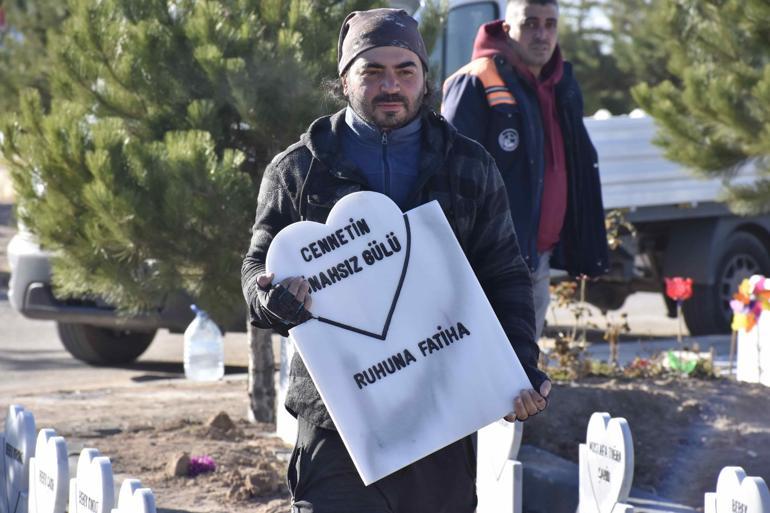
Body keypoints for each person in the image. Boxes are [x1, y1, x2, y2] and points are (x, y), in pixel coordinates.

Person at [241, 9, 550, 512]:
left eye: (405, 70)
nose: (391, 85)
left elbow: (505, 275)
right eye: (372, 71)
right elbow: (256, 271)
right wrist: (272, 299)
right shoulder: (298, 171)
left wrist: (519, 366)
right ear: (344, 80)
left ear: (425, 79)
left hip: (442, 411)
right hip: (337, 422)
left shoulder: (468, 165)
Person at [442, 0, 609, 341]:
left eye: (550, 24)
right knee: (483, 367)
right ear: (506, 29)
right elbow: (449, 179)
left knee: (522, 376)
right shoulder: (476, 81)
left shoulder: (559, 84)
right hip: (488, 265)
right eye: (530, 23)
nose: (542, 34)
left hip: (536, 260)